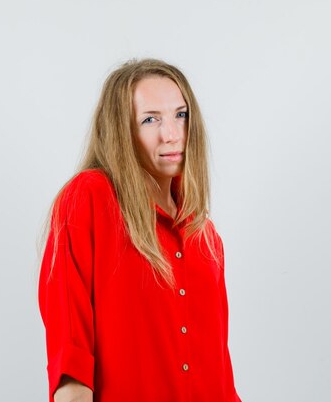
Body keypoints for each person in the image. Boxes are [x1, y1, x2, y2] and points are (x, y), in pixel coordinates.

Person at [37, 58, 242, 402]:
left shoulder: (205, 236)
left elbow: (219, 370)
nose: (173, 134)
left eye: (181, 114)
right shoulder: (89, 199)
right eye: (151, 120)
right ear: (122, 131)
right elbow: (70, 355)